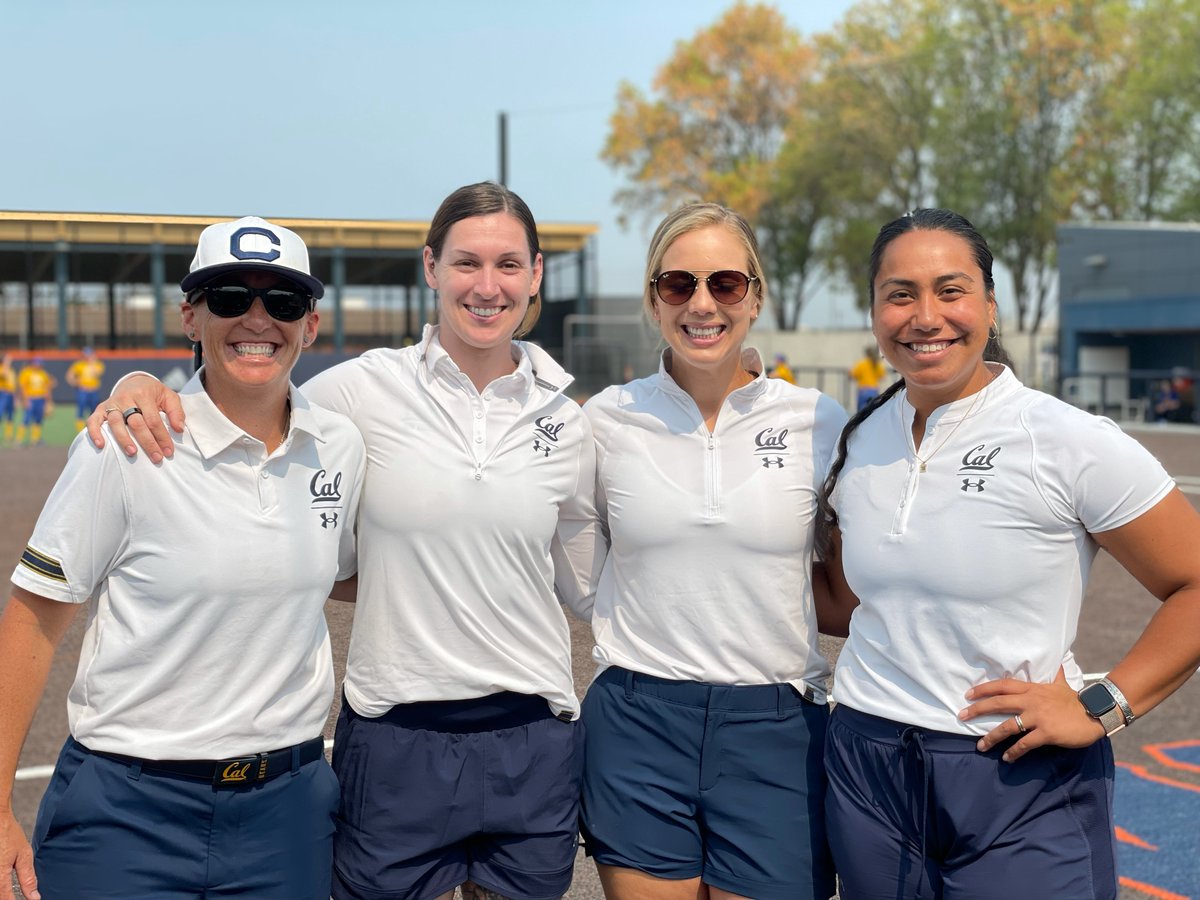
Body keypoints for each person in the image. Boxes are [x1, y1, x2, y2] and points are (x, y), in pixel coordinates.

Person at [85, 183, 603, 900]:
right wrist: (138, 384)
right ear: (430, 267)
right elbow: (240, 400)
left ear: (536, 274)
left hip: (532, 741)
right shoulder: (356, 392)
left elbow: (585, 581)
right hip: (397, 741)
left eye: (509, 265)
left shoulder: (569, 418)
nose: (487, 287)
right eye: (466, 264)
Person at [813, 208, 1200, 899]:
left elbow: (1194, 583)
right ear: (874, 312)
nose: (925, 316)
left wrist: (1103, 704)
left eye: (951, 290)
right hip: (867, 768)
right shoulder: (860, 439)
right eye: (900, 294)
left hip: (1017, 771)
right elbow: (849, 603)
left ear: (990, 306)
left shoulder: (1066, 440)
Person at [1, 216, 366, 900]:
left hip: (284, 810)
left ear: (310, 326)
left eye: (282, 302)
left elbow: (342, 572)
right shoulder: (125, 446)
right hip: (125, 809)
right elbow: (31, 623)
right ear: (190, 317)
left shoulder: (340, 446)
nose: (257, 318)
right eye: (229, 296)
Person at [580, 203, 845, 900]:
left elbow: (856, 586)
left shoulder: (818, 420)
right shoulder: (603, 420)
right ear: (653, 299)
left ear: (756, 297)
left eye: (725, 284)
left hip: (777, 727)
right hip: (638, 720)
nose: (702, 304)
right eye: (678, 285)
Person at [65, 346, 105, 432]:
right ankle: (80, 430)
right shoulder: (78, 365)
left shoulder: (97, 364)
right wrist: (76, 383)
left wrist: (92, 362)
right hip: (83, 391)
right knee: (81, 409)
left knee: (94, 410)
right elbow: (69, 375)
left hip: (93, 390)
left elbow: (97, 374)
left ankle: (93, 428)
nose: (87, 357)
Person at [15, 357, 54, 445]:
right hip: (30, 398)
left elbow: (47, 388)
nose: (39, 365)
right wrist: (25, 400)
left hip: (40, 399)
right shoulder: (26, 372)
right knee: (26, 419)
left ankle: (35, 440)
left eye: (40, 363)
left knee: (38, 419)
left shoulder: (43, 373)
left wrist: (49, 401)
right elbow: (22, 388)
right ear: (33, 363)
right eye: (37, 363)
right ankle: (19, 439)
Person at [848, 344, 886, 410]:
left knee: (861, 411)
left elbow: (853, 375)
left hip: (863, 390)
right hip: (874, 390)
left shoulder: (861, 364)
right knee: (873, 410)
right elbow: (882, 376)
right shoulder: (877, 364)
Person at [0, 353, 16, 443]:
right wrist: (6, 364)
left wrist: (15, 397)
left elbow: (13, 384)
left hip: (10, 394)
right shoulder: (2, 368)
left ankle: (8, 436)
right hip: (2, 393)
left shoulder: (11, 370)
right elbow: (4, 376)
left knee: (10, 415)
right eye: (8, 358)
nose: (10, 359)